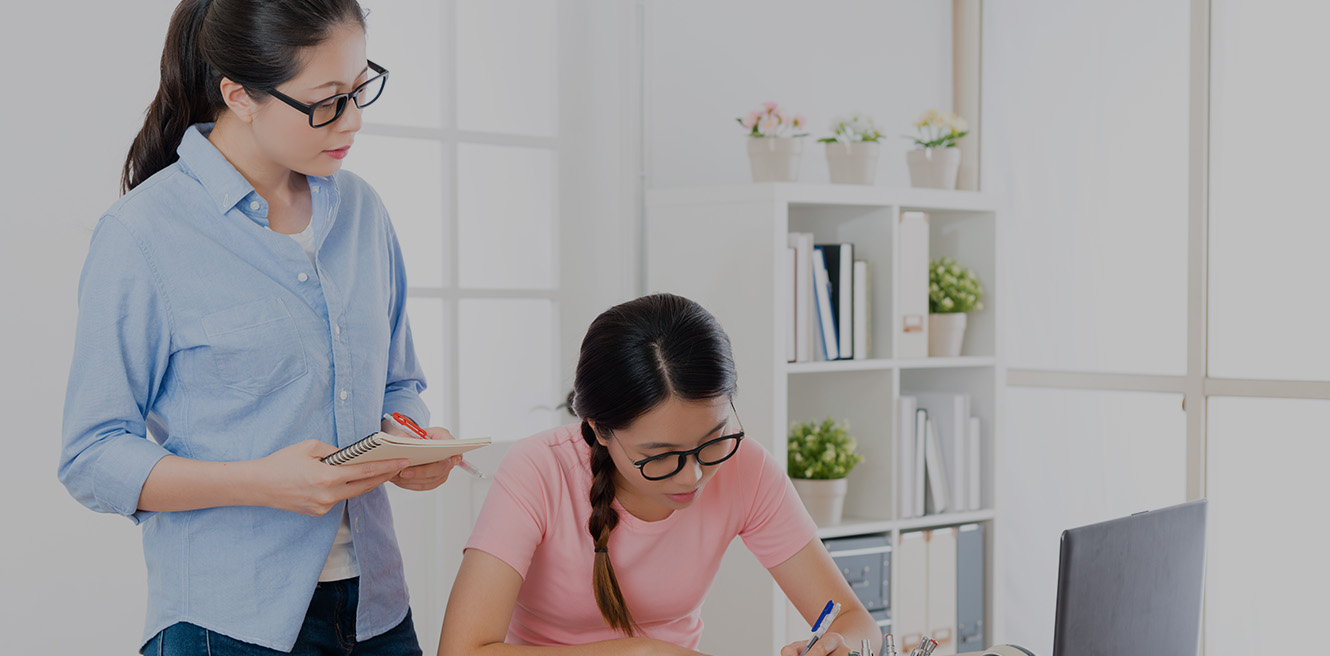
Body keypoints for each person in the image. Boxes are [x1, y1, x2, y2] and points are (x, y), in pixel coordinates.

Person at [58, 1, 458, 653]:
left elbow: (397, 383)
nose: (353, 120)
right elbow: (93, 454)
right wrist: (260, 481)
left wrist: (410, 441)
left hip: (377, 612)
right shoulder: (143, 234)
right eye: (327, 101)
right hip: (229, 624)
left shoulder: (361, 211)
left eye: (360, 90)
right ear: (240, 96)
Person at [438, 294, 880, 656]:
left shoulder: (747, 468)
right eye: (661, 456)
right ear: (598, 428)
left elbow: (854, 620)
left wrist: (841, 646)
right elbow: (462, 650)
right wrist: (638, 653)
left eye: (713, 440)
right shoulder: (539, 468)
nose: (692, 476)